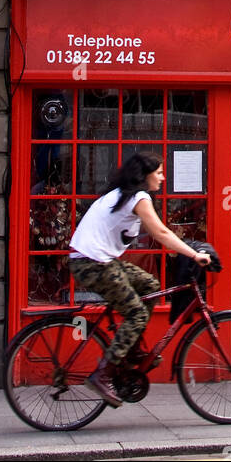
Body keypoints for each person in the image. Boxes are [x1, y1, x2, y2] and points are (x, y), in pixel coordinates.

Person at [68, 151, 210, 408]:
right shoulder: (139, 197)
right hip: (92, 263)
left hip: (98, 260)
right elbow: (161, 233)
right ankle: (103, 374)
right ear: (145, 176)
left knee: (151, 285)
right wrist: (194, 254)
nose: (163, 178)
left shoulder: (123, 193)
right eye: (159, 173)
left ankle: (130, 348)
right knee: (137, 314)